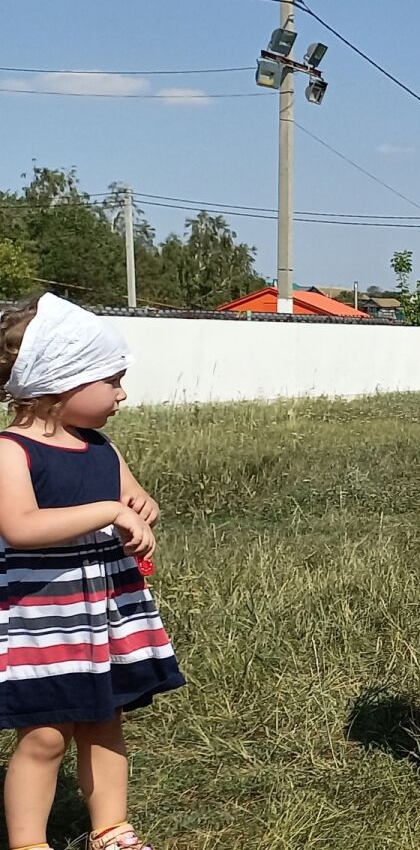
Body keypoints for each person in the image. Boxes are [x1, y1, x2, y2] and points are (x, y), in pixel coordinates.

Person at [0, 293, 184, 850]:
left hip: (102, 613)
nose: (122, 393)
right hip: (42, 620)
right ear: (60, 383)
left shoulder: (101, 447)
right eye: (112, 380)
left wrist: (139, 502)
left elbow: (127, 494)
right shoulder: (11, 452)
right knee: (46, 734)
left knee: (105, 721)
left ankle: (111, 830)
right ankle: (29, 842)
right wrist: (109, 511)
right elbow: (20, 527)